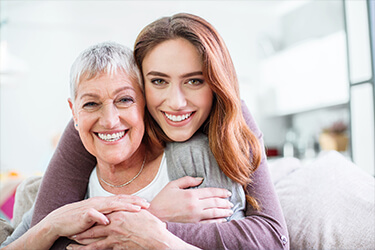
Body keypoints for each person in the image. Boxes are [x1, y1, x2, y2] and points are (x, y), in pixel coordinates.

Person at [32, 13, 289, 249]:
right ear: (140, 86)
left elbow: (273, 238)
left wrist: (154, 228)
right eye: (158, 81)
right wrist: (150, 214)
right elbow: (44, 230)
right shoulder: (101, 122)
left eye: (194, 81)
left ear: (216, 83)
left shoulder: (232, 118)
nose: (176, 102)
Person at [1, 42, 242, 249]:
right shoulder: (65, 194)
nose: (109, 120)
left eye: (124, 100)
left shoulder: (192, 158)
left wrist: (155, 231)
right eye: (91, 104)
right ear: (73, 112)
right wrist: (51, 226)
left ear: (145, 105)